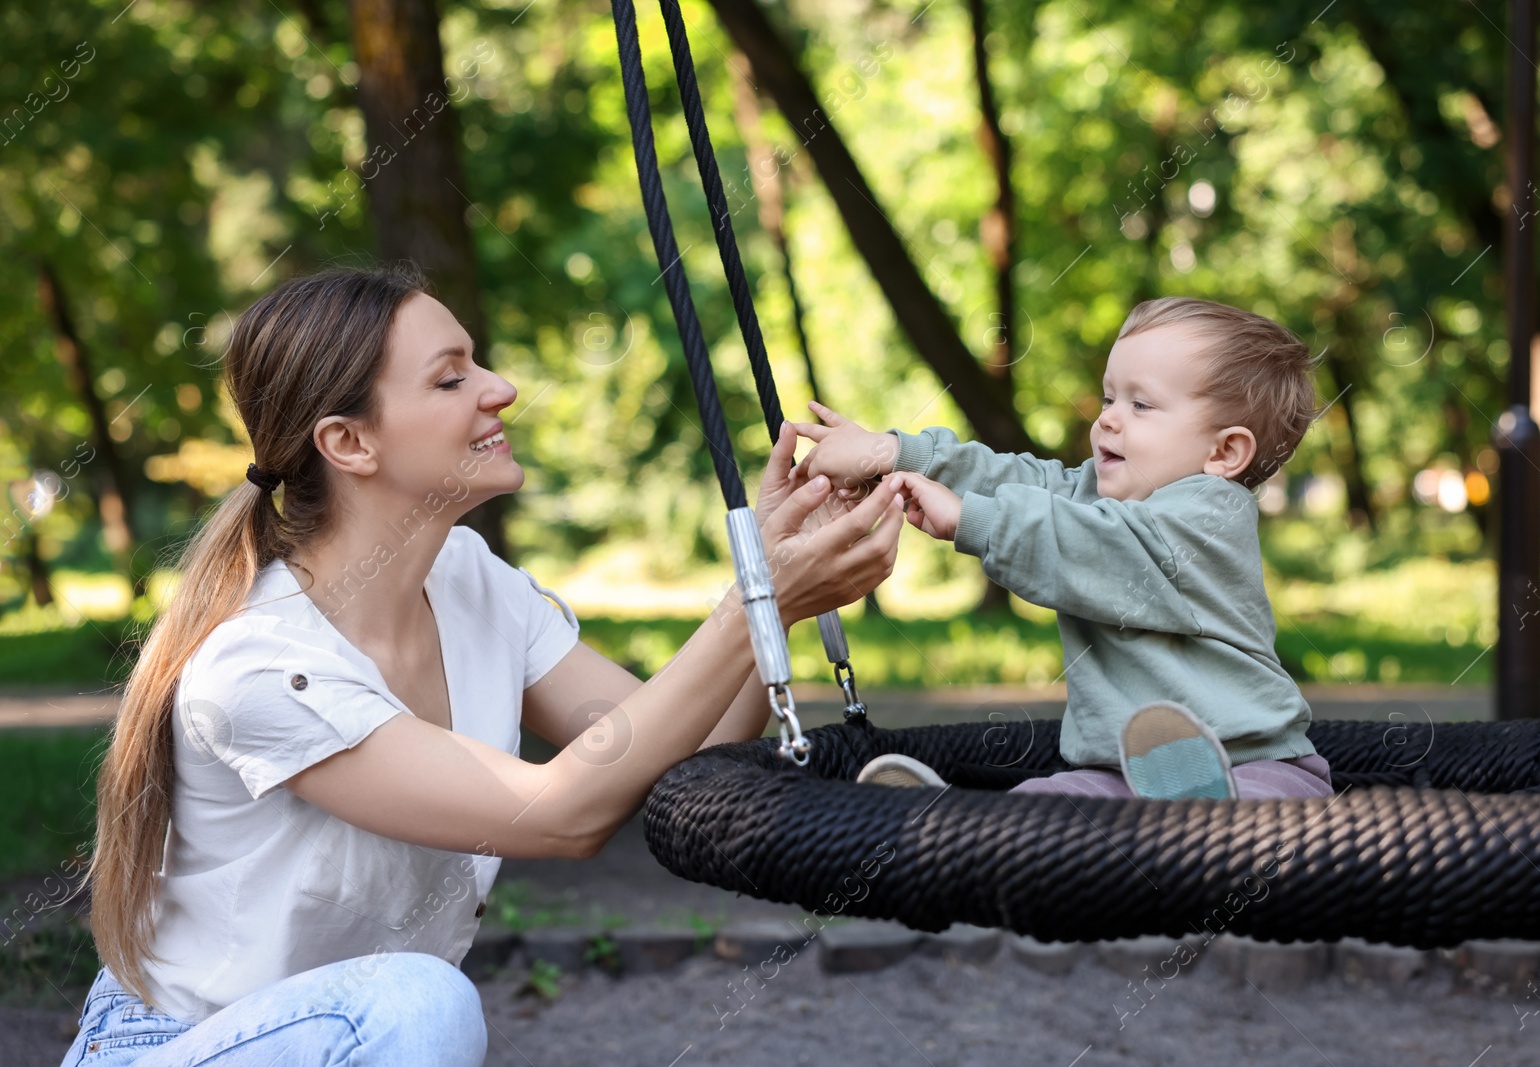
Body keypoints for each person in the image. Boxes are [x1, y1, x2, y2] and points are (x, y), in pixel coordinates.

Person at [59, 264, 907, 1066]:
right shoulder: (261, 664)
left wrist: (774, 577)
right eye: (451, 377)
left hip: (349, 1038)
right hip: (184, 1045)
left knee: (413, 1002)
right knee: (417, 1002)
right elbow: (561, 813)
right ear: (350, 442)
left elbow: (695, 745)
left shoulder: (469, 580)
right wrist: (752, 600)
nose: (500, 388)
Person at [798, 296, 1334, 802]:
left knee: (1273, 815)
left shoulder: (1210, 516)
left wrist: (971, 519)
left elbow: (1096, 546)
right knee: (1046, 803)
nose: (1107, 418)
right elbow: (1013, 476)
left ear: (1225, 452)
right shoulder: (1094, 494)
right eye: (1108, 398)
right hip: (1119, 777)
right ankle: (959, 832)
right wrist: (893, 454)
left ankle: (1205, 815)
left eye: (1141, 404)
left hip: (1259, 767)